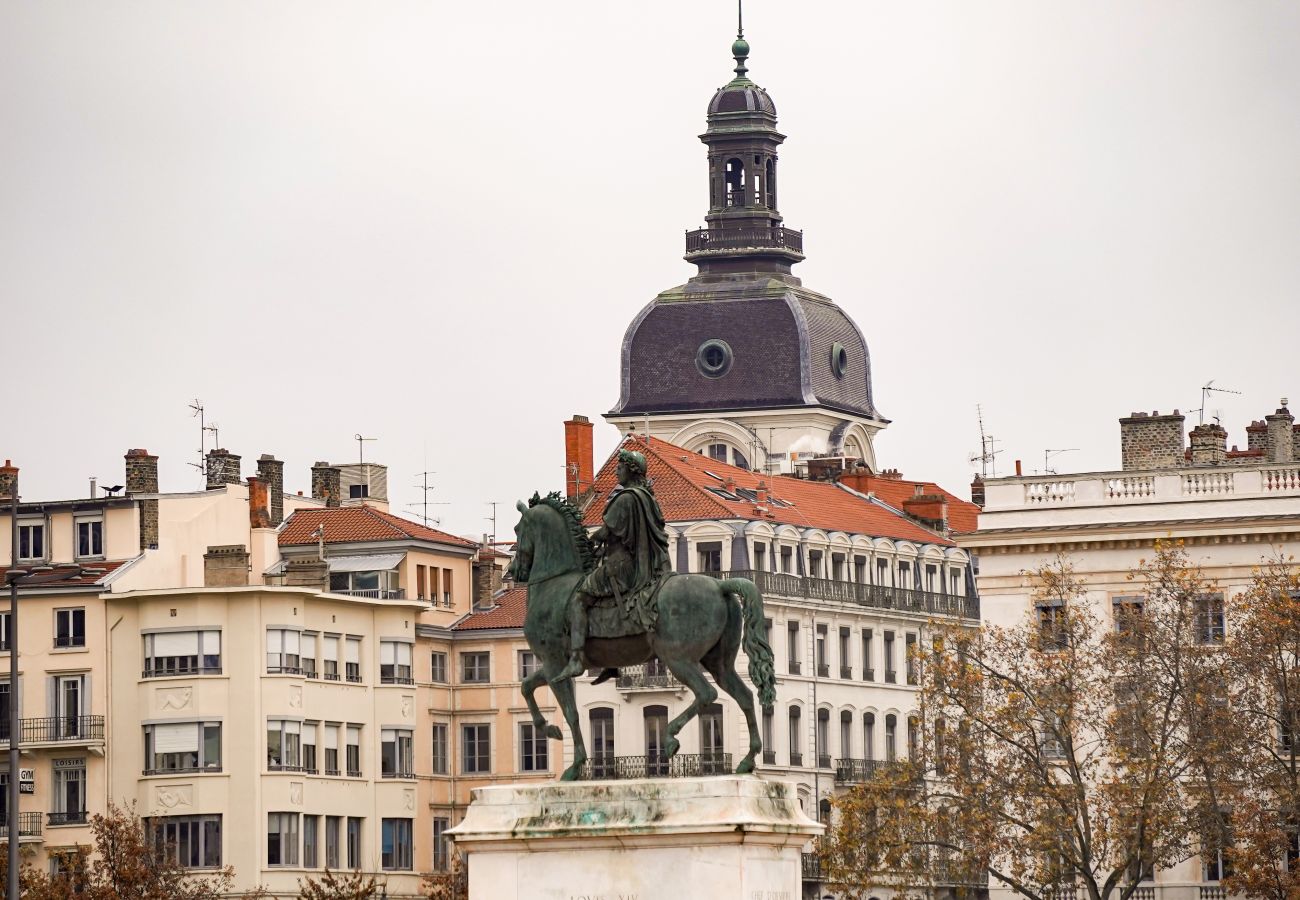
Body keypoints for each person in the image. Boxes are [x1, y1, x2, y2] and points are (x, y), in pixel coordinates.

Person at [552, 448, 671, 683]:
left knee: (579, 598)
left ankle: (576, 658)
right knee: (606, 604)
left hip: (621, 565)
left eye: (619, 467)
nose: (616, 471)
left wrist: (584, 541)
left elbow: (606, 531)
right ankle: (611, 660)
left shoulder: (626, 498)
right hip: (640, 563)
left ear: (629, 469)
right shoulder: (647, 497)